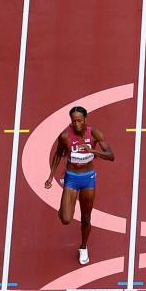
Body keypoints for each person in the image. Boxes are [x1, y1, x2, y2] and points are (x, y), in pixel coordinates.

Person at [44, 106, 115, 264]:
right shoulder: (64, 137)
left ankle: (83, 247)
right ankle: (65, 204)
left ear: (85, 119)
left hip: (88, 179)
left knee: (86, 218)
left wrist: (93, 151)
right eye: (74, 121)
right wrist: (50, 176)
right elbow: (58, 154)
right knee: (65, 219)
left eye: (80, 121)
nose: (77, 124)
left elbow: (111, 156)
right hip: (71, 178)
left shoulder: (94, 133)